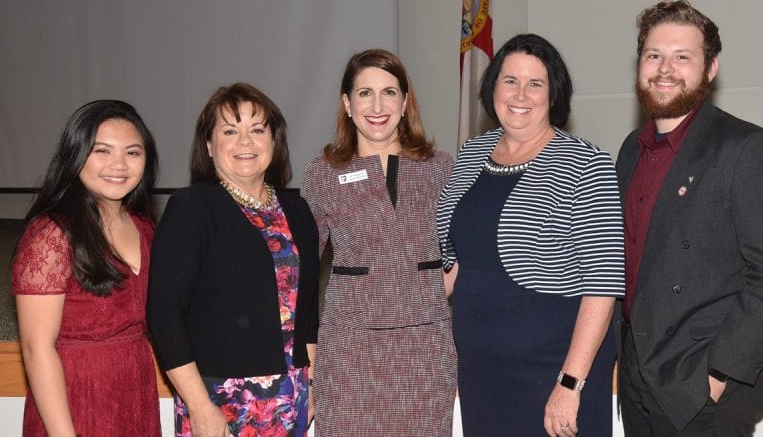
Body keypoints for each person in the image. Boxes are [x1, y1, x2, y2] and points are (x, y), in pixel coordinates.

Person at [615, 0, 763, 436]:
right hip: (638, 381)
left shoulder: (748, 149)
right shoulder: (629, 150)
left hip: (702, 386)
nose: (665, 68)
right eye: (653, 54)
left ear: (710, 68)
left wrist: (718, 375)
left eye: (683, 56)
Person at [436, 34, 625, 437]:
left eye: (535, 83)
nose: (520, 94)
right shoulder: (472, 153)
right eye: (510, 80)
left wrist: (570, 384)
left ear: (554, 94)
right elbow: (455, 262)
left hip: (553, 373)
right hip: (481, 373)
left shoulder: (587, 164)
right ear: (492, 88)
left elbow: (603, 284)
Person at [147, 83, 319, 437]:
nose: (245, 142)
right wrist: (198, 406)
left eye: (257, 130)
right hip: (221, 399)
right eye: (230, 131)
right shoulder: (191, 208)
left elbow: (308, 309)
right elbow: (164, 314)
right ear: (209, 145)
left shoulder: (298, 210)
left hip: (293, 393)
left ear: (274, 141)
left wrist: (312, 382)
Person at [301, 49, 457, 436]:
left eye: (389, 92)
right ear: (347, 104)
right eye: (365, 93)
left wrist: (434, 290)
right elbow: (300, 276)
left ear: (405, 103)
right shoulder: (323, 174)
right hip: (348, 354)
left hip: (424, 352)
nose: (377, 105)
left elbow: (469, 247)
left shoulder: (440, 168)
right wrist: (308, 368)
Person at [12, 100, 161, 436]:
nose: (118, 165)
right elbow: (37, 348)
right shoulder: (51, 234)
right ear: (76, 154)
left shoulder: (145, 226)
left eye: (133, 153)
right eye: (102, 151)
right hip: (74, 397)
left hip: (134, 387)